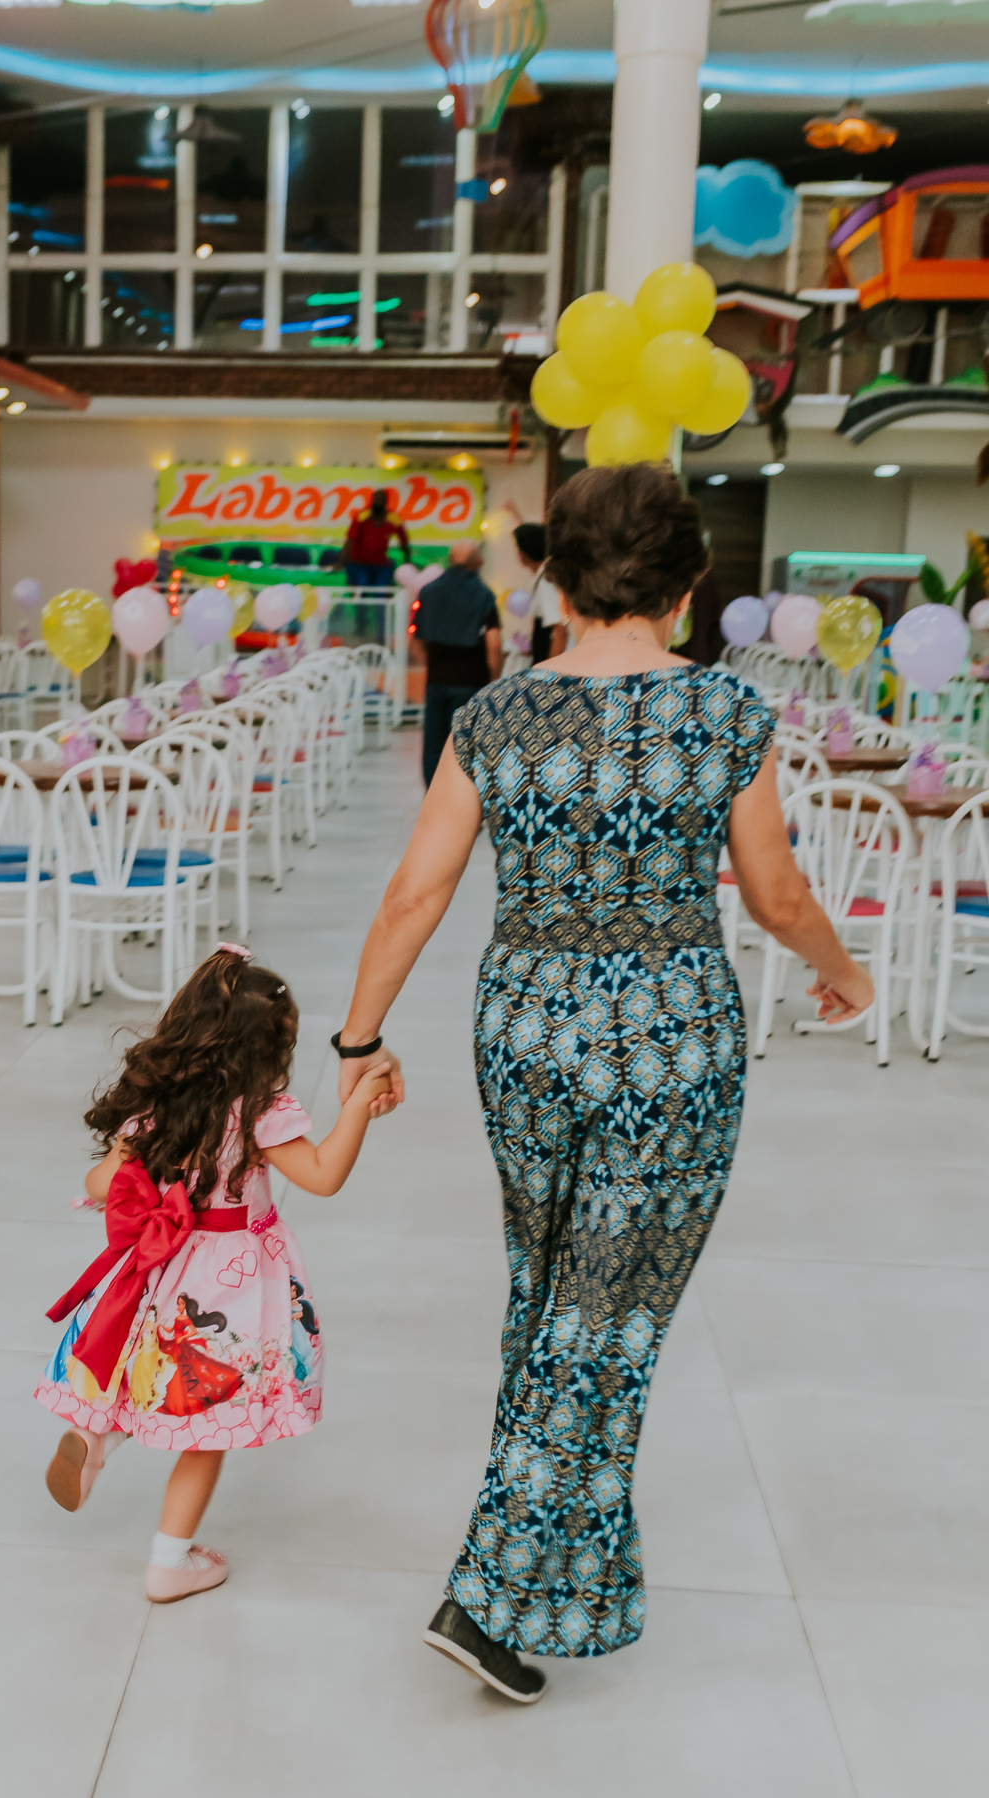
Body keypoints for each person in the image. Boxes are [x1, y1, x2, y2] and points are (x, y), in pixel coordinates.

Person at [331, 462, 874, 1702]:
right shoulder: (727, 715)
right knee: (607, 1316)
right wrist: (843, 974)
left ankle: (547, 1585)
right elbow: (776, 895)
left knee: (556, 1294)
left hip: (522, 1026)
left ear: (552, 579)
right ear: (687, 587)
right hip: (667, 1037)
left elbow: (416, 892)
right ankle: (492, 1594)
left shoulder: (493, 719)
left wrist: (359, 1040)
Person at [36, 943, 395, 1605]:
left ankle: (93, 1441)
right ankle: (171, 1562)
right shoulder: (259, 1112)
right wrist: (356, 1109)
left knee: (147, 1372)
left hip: (155, 1272)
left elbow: (102, 1181)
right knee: (206, 1422)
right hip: (226, 1287)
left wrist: (139, 1186)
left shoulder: (154, 1108)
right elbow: (322, 1177)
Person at [414, 539, 503, 786]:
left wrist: (429, 664)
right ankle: (461, 793)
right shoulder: (484, 595)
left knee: (434, 742)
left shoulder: (428, 591)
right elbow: (493, 643)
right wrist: (494, 678)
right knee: (465, 742)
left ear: (450, 561)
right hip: (471, 681)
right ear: (477, 563)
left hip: (436, 679)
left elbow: (416, 636)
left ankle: (433, 791)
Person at [513, 521, 566, 665]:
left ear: (522, 554)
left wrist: (549, 674)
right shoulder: (546, 576)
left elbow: (560, 630)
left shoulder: (546, 581)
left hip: (549, 665)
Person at [343, 489, 410, 588]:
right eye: (376, 499)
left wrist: (407, 563)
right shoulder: (362, 516)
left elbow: (404, 542)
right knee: (362, 586)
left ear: (386, 502)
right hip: (359, 563)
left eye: (382, 499)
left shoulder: (393, 518)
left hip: (381, 564)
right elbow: (350, 540)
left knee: (381, 592)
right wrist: (341, 561)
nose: (379, 502)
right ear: (372, 501)